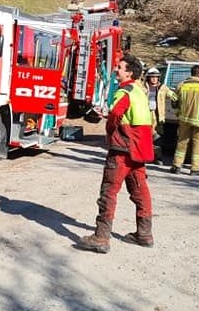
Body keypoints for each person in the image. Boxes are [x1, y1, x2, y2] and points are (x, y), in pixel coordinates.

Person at [77, 54, 154, 253]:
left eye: (119, 67)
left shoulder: (125, 91)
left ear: (129, 72)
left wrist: (110, 132)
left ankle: (101, 237)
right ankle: (144, 234)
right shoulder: (140, 91)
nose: (116, 70)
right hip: (138, 149)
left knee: (108, 191)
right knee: (140, 191)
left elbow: (116, 114)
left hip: (122, 149)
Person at [144, 67, 174, 163]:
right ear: (148, 78)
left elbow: (173, 96)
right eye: (152, 77)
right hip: (146, 114)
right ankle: (146, 156)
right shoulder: (143, 87)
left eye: (156, 77)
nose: (154, 79)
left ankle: (157, 157)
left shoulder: (163, 88)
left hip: (158, 116)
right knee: (146, 136)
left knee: (158, 138)